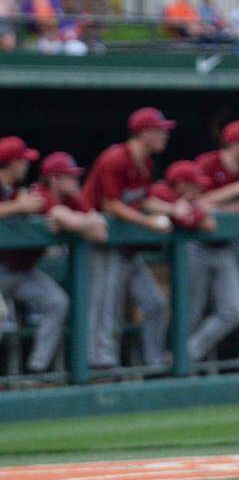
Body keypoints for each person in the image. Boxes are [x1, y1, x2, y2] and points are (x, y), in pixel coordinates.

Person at [83, 108, 186, 369]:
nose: (165, 135)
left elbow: (144, 199)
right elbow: (111, 205)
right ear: (144, 133)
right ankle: (99, 364)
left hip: (126, 250)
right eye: (160, 130)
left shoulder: (145, 162)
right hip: (99, 245)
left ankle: (153, 363)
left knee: (156, 304)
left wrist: (172, 209)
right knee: (105, 306)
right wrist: (149, 222)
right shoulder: (115, 159)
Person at [0, 145, 107, 375]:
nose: (27, 165)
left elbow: (101, 232)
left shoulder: (20, 191)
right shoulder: (39, 195)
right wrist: (70, 220)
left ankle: (36, 370)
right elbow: (80, 223)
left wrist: (75, 218)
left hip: (23, 270)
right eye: (70, 176)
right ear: (55, 178)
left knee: (57, 302)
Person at [194, 120, 239, 362]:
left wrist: (235, 205)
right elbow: (196, 204)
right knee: (190, 313)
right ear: (235, 145)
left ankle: (186, 356)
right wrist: (236, 190)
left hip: (225, 247)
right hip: (194, 247)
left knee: (236, 310)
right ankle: (171, 365)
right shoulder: (206, 164)